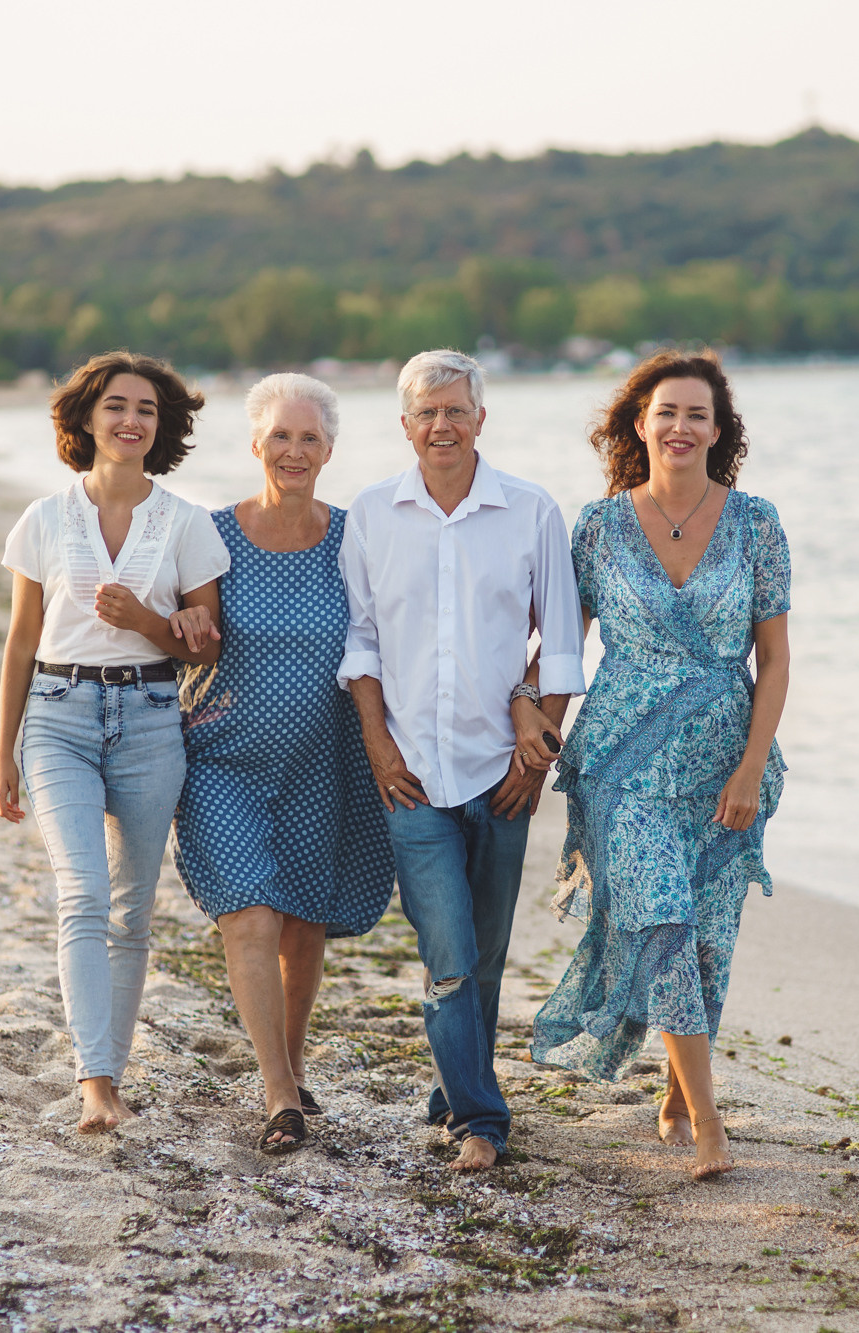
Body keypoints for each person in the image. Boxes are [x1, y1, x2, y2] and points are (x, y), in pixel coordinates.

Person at [526, 349, 791, 1180]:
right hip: (620, 763)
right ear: (638, 424)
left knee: (709, 939)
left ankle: (679, 1091)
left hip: (722, 760)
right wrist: (534, 733)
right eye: (665, 412)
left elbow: (775, 660)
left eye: (697, 414)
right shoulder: (598, 527)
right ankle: (711, 1124)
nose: (680, 426)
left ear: (720, 430)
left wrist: (750, 768)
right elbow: (562, 651)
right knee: (664, 922)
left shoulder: (757, 523)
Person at [337, 349, 586, 1172]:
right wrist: (375, 739)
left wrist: (538, 758)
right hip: (410, 774)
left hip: (502, 772)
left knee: (482, 954)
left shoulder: (531, 510)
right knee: (446, 954)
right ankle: (483, 1120)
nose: (440, 426)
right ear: (403, 425)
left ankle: (452, 1087)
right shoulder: (372, 514)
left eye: (455, 411)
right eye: (425, 413)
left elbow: (561, 649)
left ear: (482, 418)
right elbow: (362, 641)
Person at [0, 350, 229, 1134]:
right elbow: (21, 641)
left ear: (162, 428)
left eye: (148, 410)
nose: (132, 420)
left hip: (153, 719)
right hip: (57, 716)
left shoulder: (187, 523)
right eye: (117, 406)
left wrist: (150, 624)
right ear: (87, 418)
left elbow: (202, 646)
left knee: (131, 911)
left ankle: (112, 1074)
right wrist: (4, 754)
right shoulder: (44, 518)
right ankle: (94, 1081)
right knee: (83, 894)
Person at [169, 373, 394, 1155]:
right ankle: (276, 1092)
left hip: (321, 759)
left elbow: (386, 631)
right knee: (252, 915)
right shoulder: (211, 535)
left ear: (329, 450)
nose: (293, 450)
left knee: (304, 923)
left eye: (309, 438)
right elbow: (174, 633)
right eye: (280, 436)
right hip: (225, 757)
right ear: (255, 443)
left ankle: (292, 1065)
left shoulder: (352, 537)